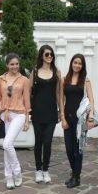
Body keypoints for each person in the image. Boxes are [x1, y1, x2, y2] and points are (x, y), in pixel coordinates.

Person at [0, 53, 30, 189]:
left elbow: (27, 101)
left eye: (17, 64)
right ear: (7, 65)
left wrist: (27, 120)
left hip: (19, 114)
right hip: (5, 115)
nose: (15, 66)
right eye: (12, 64)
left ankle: (17, 171)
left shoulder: (24, 80)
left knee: (7, 143)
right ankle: (9, 177)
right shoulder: (0, 80)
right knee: (6, 146)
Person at [60, 54, 95, 188]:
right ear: (71, 63)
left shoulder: (85, 80)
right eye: (75, 62)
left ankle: (76, 176)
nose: (77, 65)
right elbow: (61, 100)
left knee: (78, 149)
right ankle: (74, 172)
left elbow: (91, 99)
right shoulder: (65, 80)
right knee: (69, 149)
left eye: (80, 63)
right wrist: (62, 118)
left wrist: (90, 116)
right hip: (68, 118)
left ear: (82, 66)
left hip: (80, 119)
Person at [30, 45, 62, 184]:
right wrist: (27, 110)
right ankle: (38, 170)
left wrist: (61, 111)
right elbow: (28, 91)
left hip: (51, 112)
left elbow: (59, 93)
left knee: (48, 142)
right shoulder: (35, 72)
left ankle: (45, 170)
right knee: (38, 142)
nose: (49, 57)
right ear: (41, 56)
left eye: (51, 54)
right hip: (37, 112)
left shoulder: (57, 72)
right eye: (47, 54)